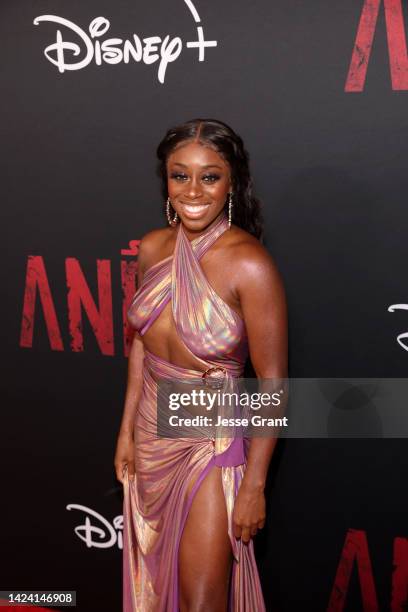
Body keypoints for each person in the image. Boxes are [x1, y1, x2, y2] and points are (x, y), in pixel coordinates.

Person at [114, 118, 288, 612]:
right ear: (165, 181)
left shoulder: (249, 264)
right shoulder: (151, 247)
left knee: (202, 599)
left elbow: (273, 383)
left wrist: (254, 484)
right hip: (151, 430)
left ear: (232, 182)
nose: (193, 190)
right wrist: (127, 430)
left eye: (209, 176)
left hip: (208, 436)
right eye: (179, 175)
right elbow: (143, 347)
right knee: (154, 581)